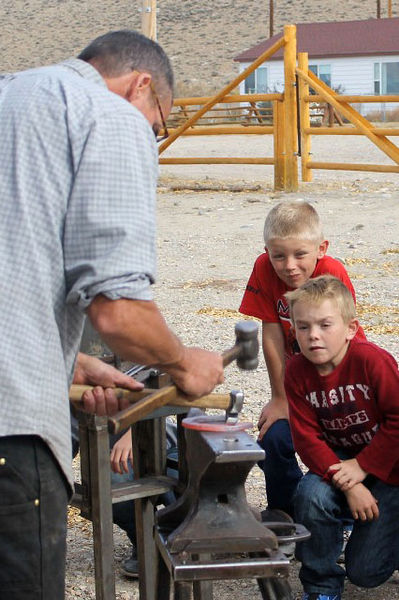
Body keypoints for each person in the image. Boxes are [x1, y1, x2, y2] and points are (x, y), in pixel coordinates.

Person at [0, 30, 224, 600]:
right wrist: (182, 362)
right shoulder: (109, 116)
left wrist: (67, 363)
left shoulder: (11, 96)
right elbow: (118, 312)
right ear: (140, 86)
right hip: (11, 427)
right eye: (159, 124)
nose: (152, 136)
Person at [239, 201, 366, 519]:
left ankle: (340, 514)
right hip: (298, 383)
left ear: (321, 248)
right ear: (266, 251)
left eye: (300, 254)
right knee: (275, 438)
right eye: (278, 255)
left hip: (342, 381)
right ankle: (285, 514)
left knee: (340, 439)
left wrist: (330, 402)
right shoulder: (264, 268)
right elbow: (270, 333)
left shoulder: (332, 272)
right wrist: (280, 398)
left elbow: (343, 343)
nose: (289, 265)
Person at [284, 275, 399, 600]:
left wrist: (364, 467)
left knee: (365, 573)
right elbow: (307, 440)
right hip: (342, 465)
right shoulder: (296, 371)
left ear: (350, 328)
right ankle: (321, 587)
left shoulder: (371, 361)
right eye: (303, 327)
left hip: (392, 470)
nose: (313, 336)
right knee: (310, 496)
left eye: (325, 325)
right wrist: (351, 485)